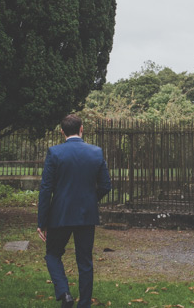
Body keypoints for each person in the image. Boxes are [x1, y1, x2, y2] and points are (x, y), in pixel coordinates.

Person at [37, 114, 112, 308]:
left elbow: (46, 188)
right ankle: (84, 304)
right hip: (86, 215)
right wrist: (89, 200)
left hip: (59, 214)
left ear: (62, 131)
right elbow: (105, 185)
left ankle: (64, 293)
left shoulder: (54, 153)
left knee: (53, 254)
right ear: (82, 129)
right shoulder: (96, 152)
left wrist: (42, 221)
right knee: (85, 261)